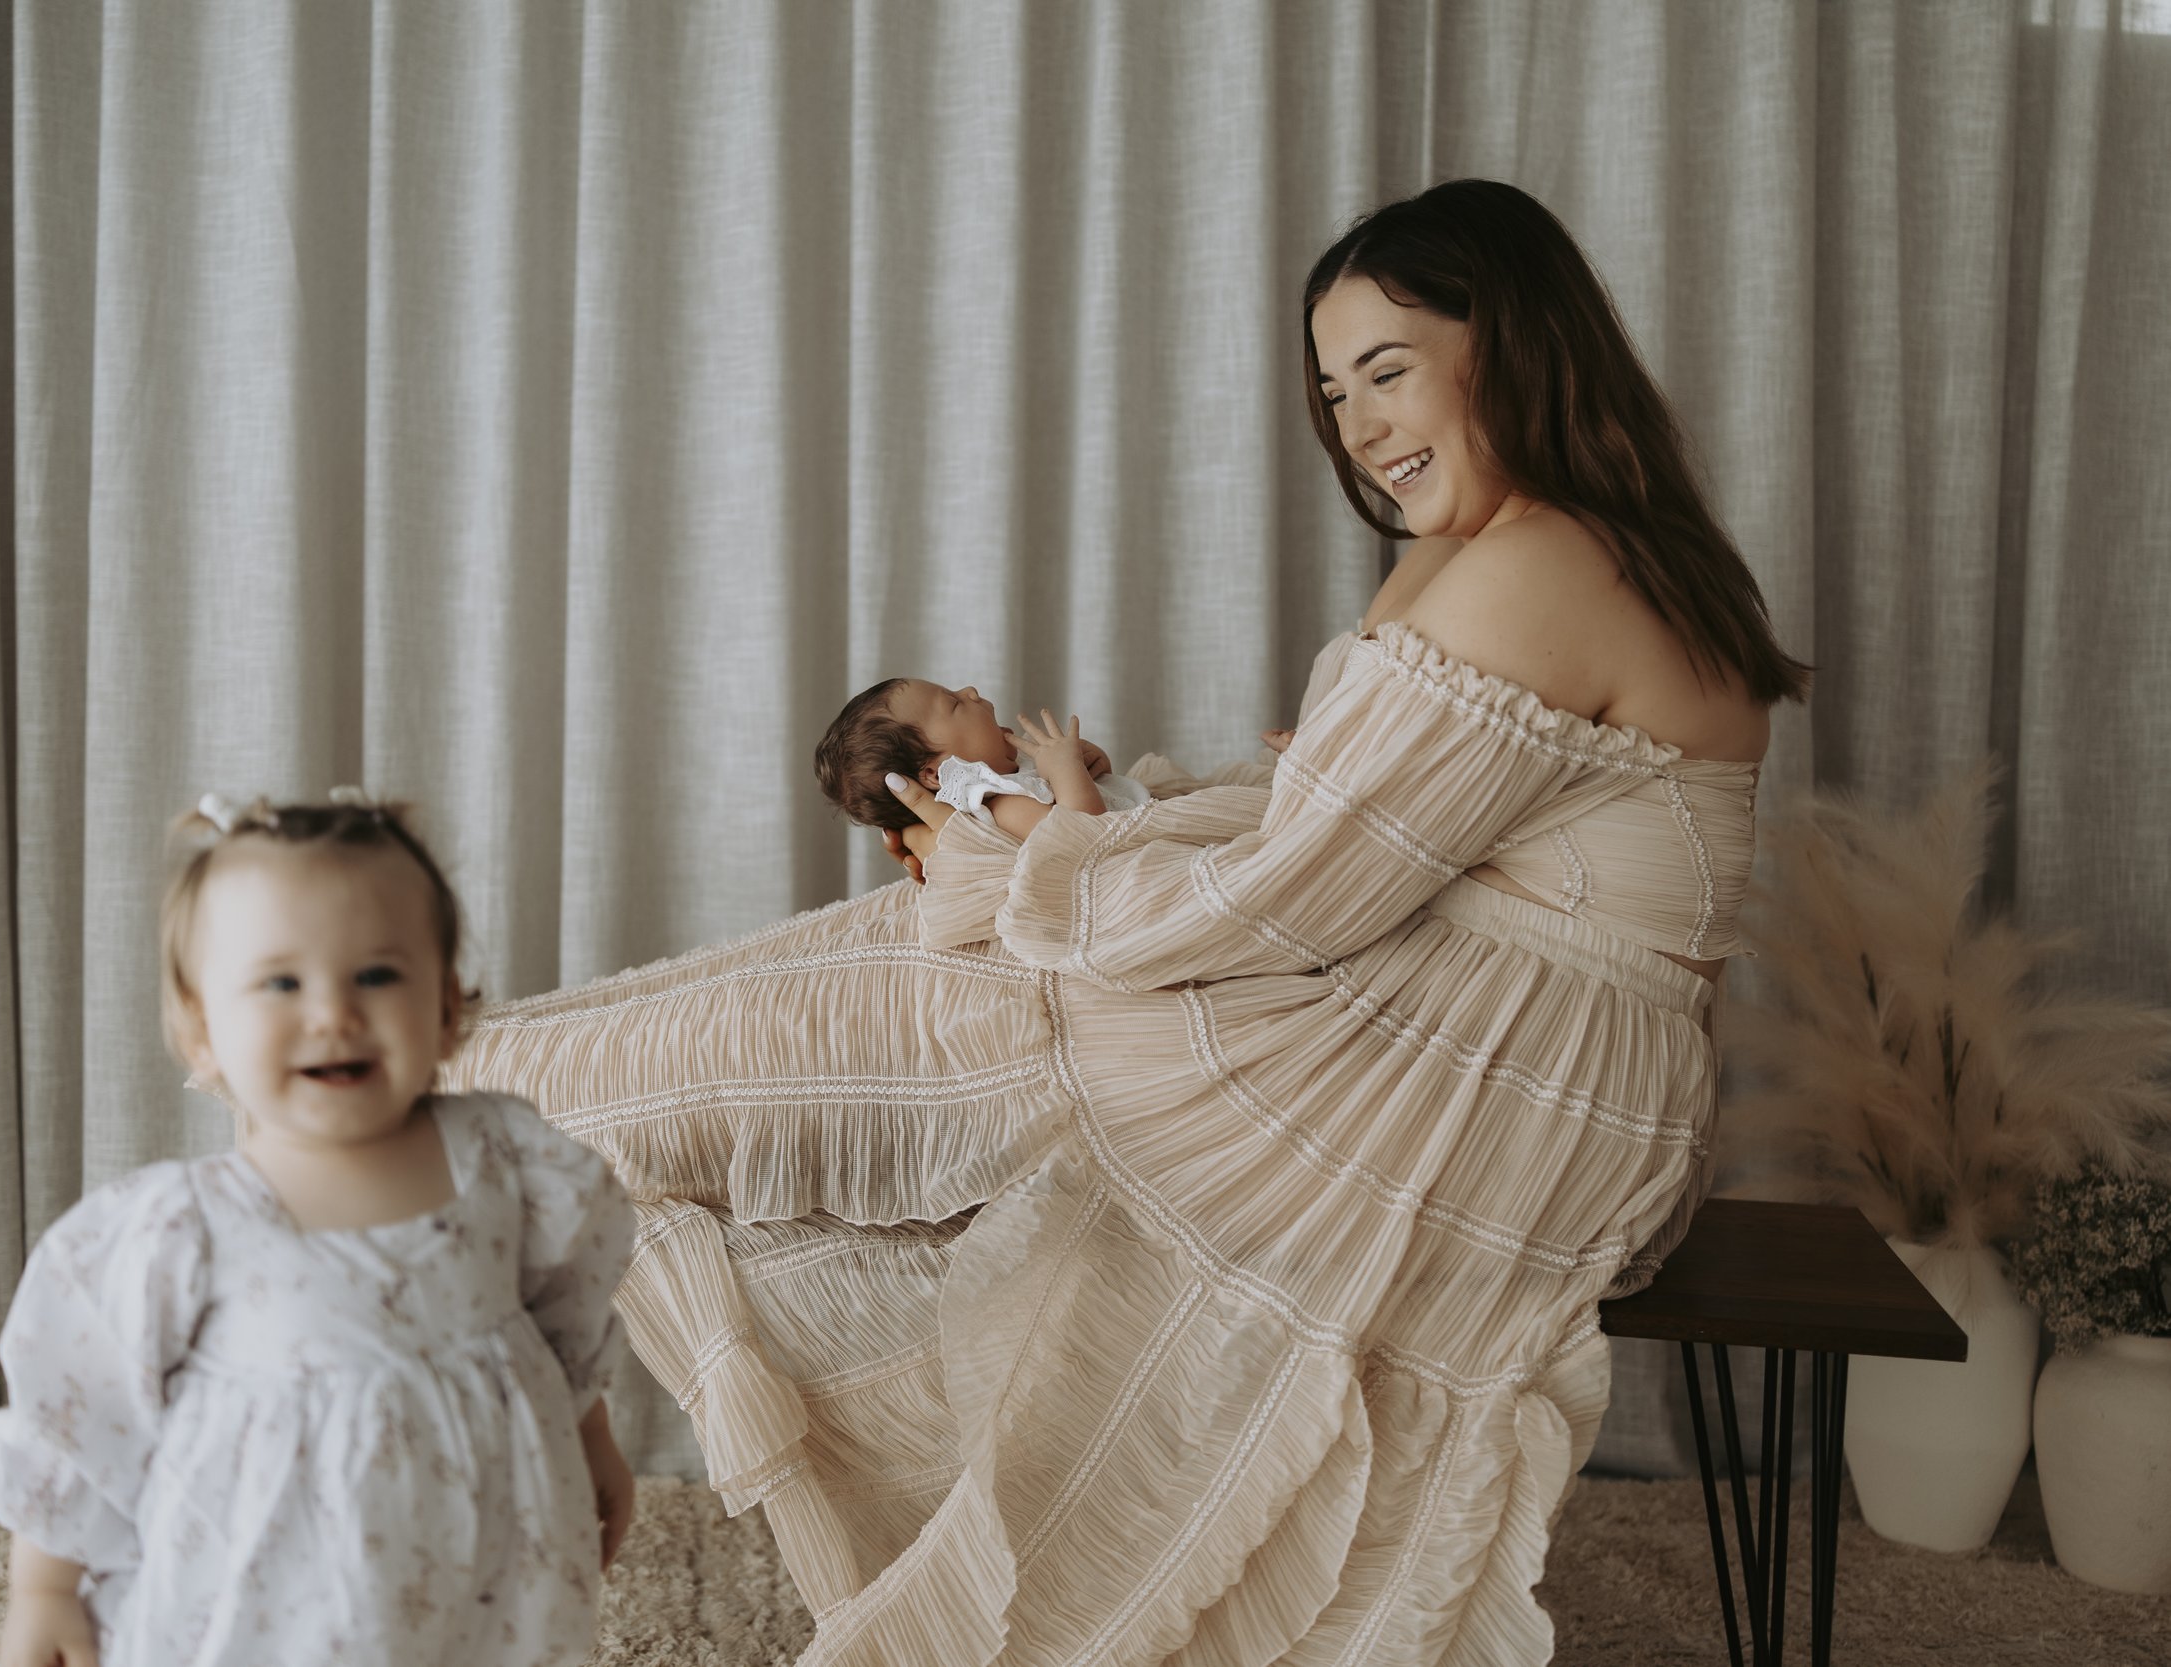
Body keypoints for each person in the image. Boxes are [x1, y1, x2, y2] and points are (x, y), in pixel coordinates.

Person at [445, 178, 1806, 1666]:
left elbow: (1295, 893)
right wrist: (1093, 833)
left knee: (979, 969)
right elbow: (1336, 818)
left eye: (1391, 368)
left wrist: (1057, 861)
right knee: (956, 938)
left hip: (1498, 1067)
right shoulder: (1571, 541)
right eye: (1334, 387)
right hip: (1554, 1050)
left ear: (1517, 343)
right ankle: (515, 1070)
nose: (1357, 425)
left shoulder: (1538, 564)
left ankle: (499, 1078)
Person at [0, 792, 638, 1667]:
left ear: (446, 1006)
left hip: (490, 1564)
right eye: (282, 982)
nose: (332, 1013)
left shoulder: (508, 1158)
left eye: (376, 975)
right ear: (200, 1029)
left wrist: (593, 1439)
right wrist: (44, 1587)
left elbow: (567, 1319)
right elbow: (82, 1409)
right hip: (267, 1591)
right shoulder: (183, 1224)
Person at [813, 678, 1153, 839]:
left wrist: (1092, 766)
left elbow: (1108, 796)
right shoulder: (1005, 806)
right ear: (935, 773)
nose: (970, 691)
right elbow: (1085, 840)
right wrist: (1068, 773)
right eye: (954, 703)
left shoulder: (1016, 775)